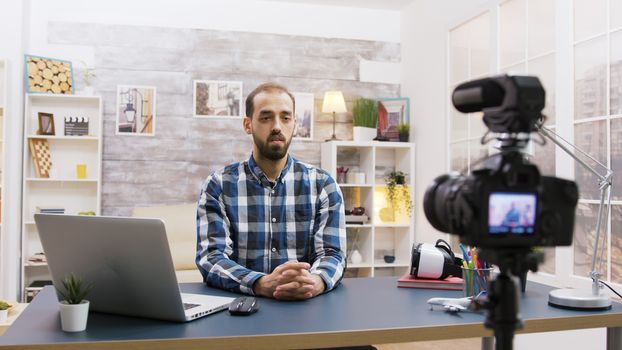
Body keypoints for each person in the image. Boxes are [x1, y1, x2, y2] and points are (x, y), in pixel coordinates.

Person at [196, 82, 346, 300]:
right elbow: (211, 257)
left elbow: (333, 253)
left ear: (294, 124)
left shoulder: (323, 184)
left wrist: (315, 282)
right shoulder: (219, 185)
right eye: (266, 117)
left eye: (285, 117)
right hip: (241, 309)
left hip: (307, 307)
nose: (277, 126)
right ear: (248, 125)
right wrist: (260, 283)